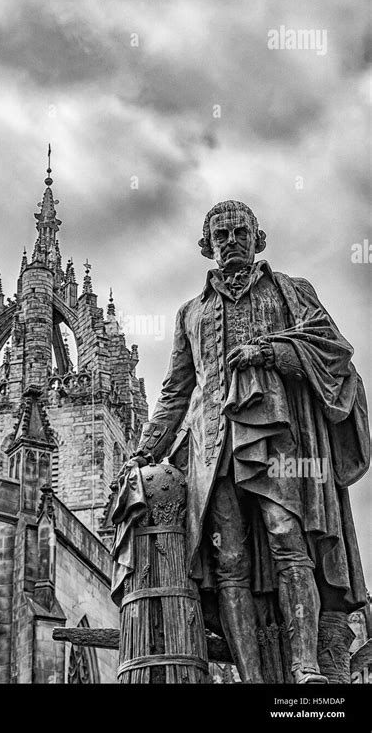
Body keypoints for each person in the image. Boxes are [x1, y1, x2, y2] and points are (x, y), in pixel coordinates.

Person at [130, 200, 369, 683]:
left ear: (258, 238)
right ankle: (252, 677)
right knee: (228, 561)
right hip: (210, 447)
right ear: (208, 246)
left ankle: (305, 666)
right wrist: (146, 447)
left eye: (241, 232)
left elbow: (333, 349)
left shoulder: (291, 291)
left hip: (275, 437)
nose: (231, 241)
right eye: (221, 235)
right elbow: (177, 389)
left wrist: (270, 351)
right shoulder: (190, 313)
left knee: (287, 535)